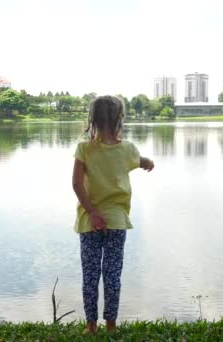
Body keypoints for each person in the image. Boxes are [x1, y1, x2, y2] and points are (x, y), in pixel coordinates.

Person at [71, 95, 154, 334]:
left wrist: (94, 213)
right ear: (120, 119)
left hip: (89, 221)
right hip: (117, 222)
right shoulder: (127, 149)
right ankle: (111, 325)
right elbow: (139, 161)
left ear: (93, 119)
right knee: (112, 275)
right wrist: (147, 162)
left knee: (90, 275)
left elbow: (76, 185)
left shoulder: (84, 148)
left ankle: (91, 326)